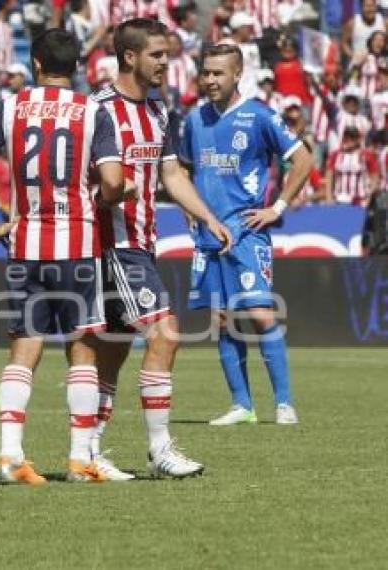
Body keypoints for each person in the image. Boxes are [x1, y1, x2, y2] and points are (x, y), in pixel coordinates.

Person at [0, 28, 113, 485]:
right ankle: (80, 459)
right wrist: (97, 200)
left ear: (38, 65)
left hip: (26, 244)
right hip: (78, 244)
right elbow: (114, 180)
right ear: (78, 68)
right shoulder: (93, 110)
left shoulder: (9, 106)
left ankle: (10, 456)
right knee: (83, 351)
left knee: (24, 349)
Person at [91, 18, 233, 480]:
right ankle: (159, 449)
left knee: (112, 349)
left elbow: (172, 174)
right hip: (113, 243)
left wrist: (208, 216)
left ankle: (89, 450)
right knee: (165, 333)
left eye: (167, 54)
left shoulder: (157, 109)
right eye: (156, 54)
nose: (165, 63)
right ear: (129, 56)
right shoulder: (98, 111)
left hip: (141, 243)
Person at [179, 42, 313, 426]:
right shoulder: (194, 119)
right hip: (209, 234)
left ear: (238, 74)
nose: (209, 80)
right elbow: (184, 168)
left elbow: (302, 158)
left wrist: (277, 208)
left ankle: (284, 403)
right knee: (222, 319)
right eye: (205, 72)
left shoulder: (259, 116)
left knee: (259, 312)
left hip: (246, 231)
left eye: (217, 73)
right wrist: (192, 208)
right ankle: (242, 405)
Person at [325, 126, 379, 206]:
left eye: (352, 137)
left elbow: (375, 179)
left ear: (358, 139)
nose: (349, 140)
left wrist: (369, 198)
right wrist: (329, 198)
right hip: (339, 200)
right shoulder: (335, 155)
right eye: (347, 137)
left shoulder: (367, 155)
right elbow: (329, 177)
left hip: (360, 201)